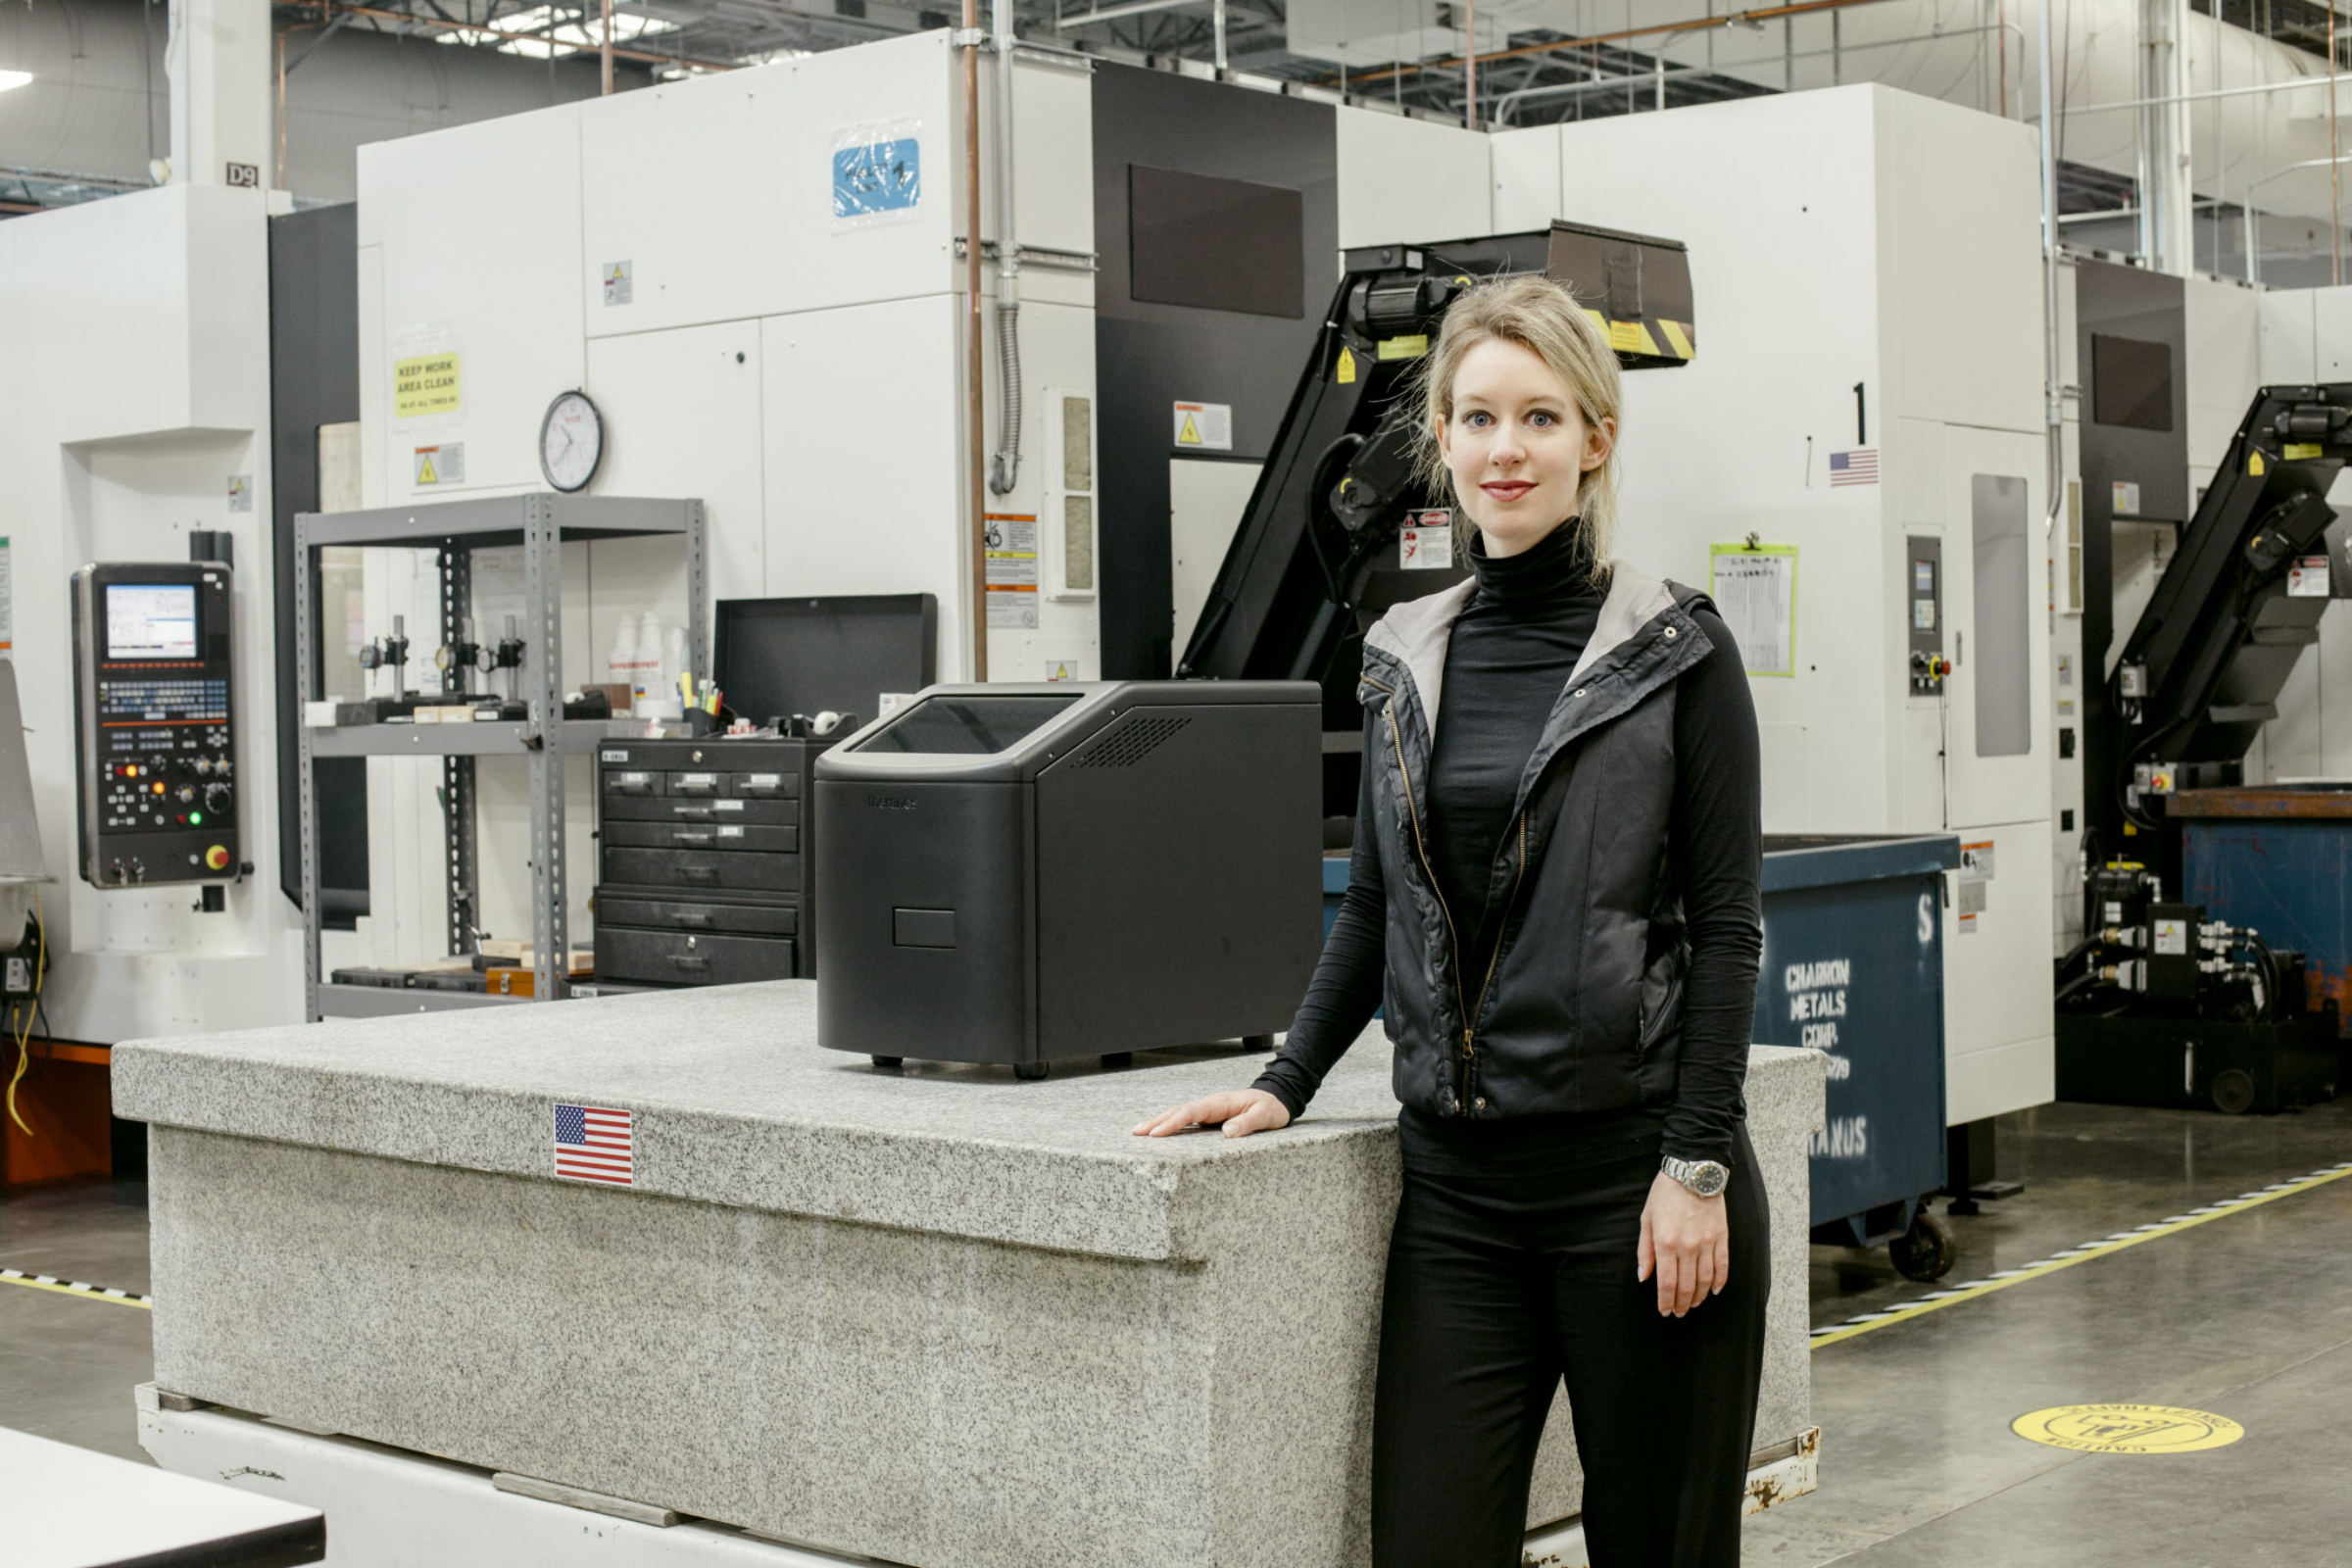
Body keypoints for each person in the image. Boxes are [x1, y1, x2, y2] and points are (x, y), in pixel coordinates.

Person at [1132, 272, 1768, 1568]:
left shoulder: (1678, 649)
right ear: (1443, 442)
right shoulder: (1403, 651)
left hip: (1635, 1189)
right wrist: (1287, 1079)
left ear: (1596, 438)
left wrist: (1696, 1165)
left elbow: (1728, 928)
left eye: (1539, 418)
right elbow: (1377, 901)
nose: (1504, 450)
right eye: (1476, 419)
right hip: (1460, 1202)